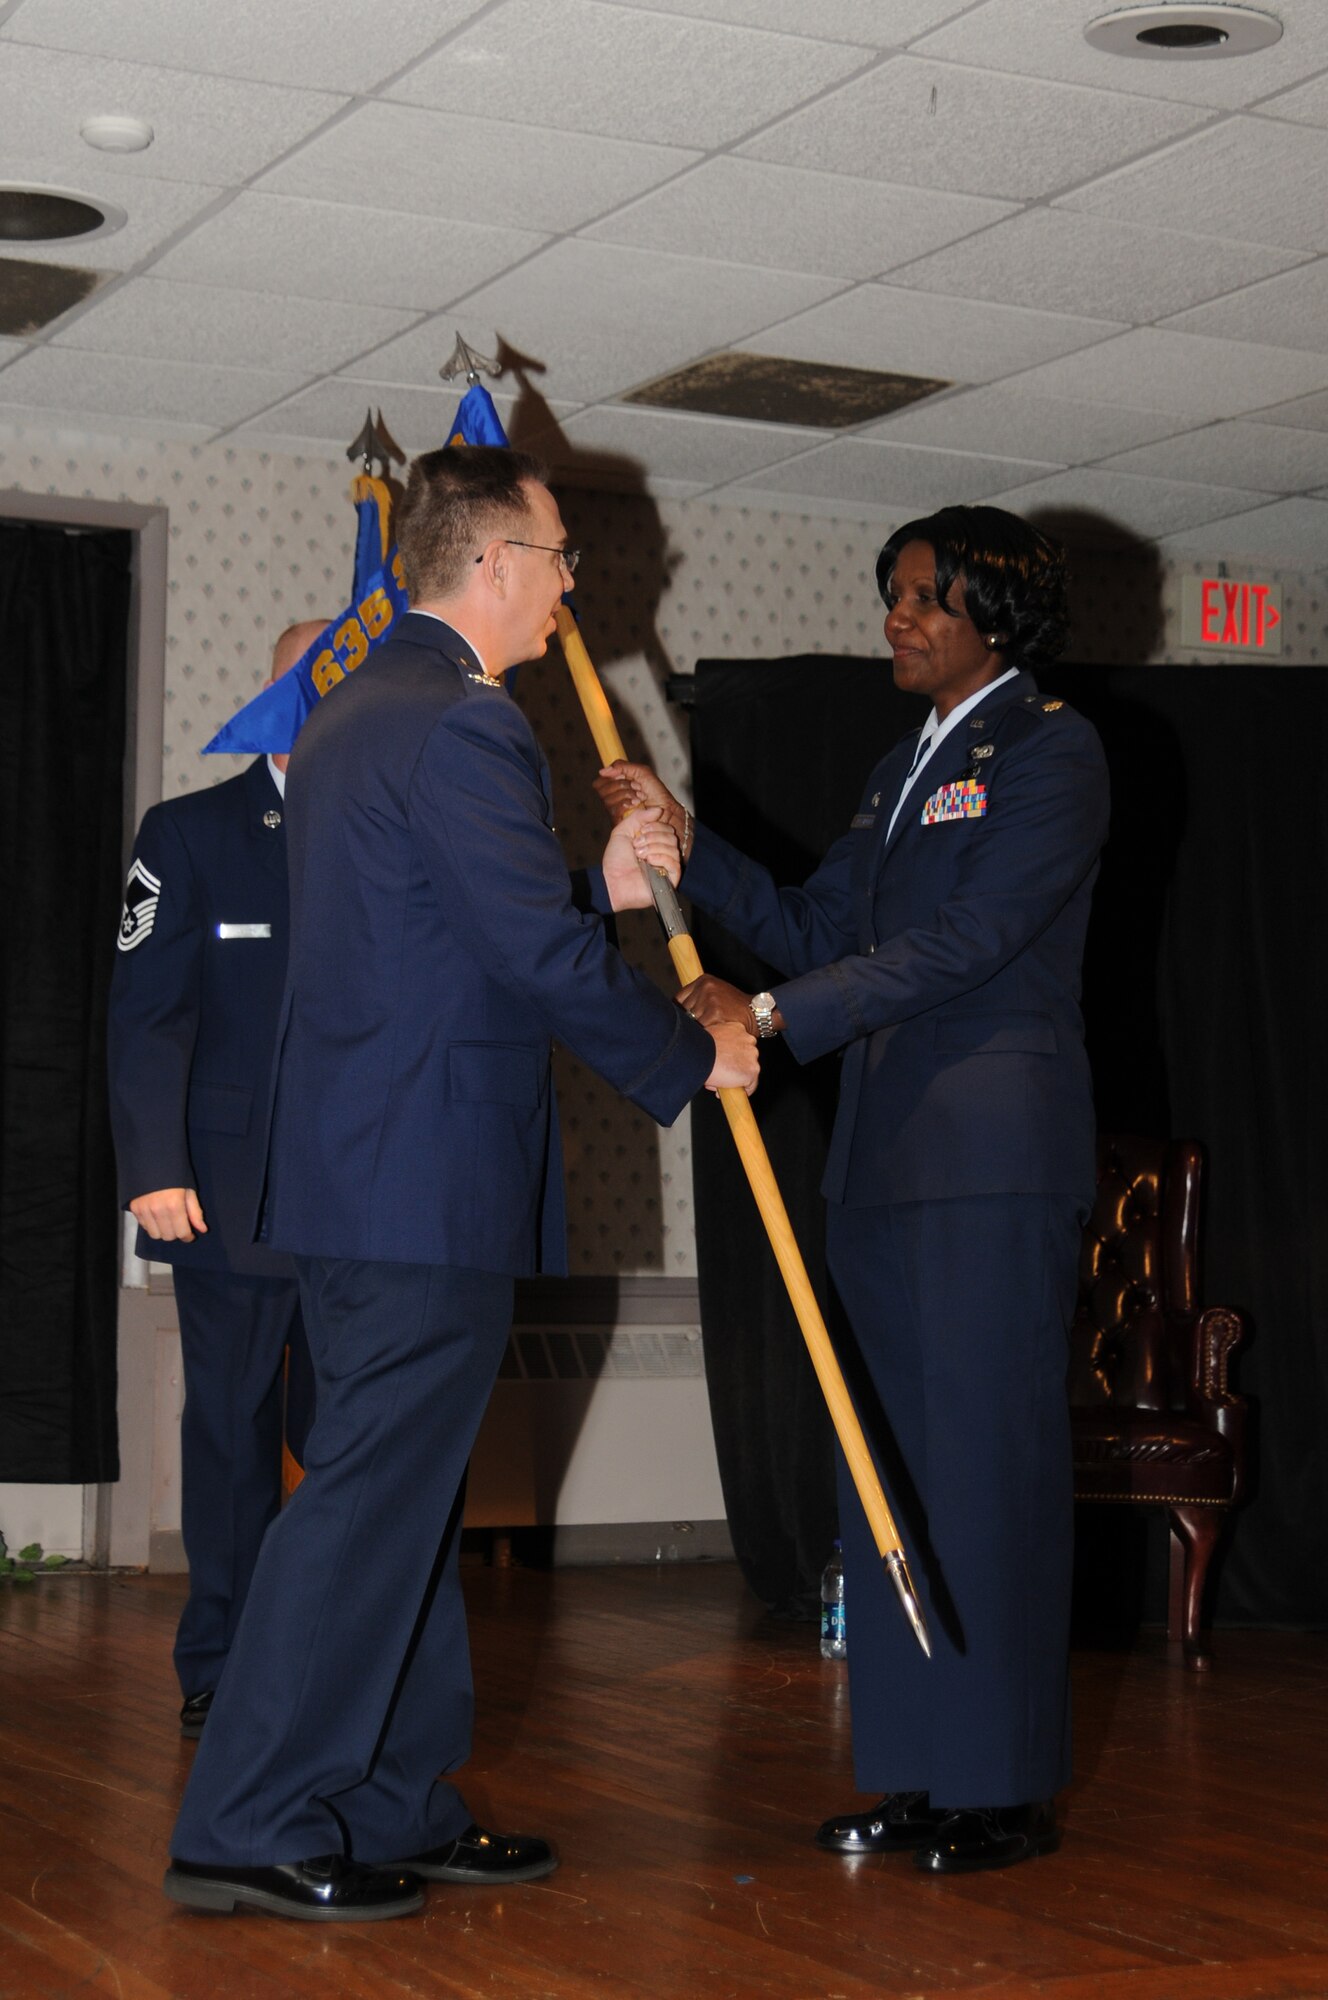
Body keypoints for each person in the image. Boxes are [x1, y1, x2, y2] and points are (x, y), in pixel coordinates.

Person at [162, 445, 759, 1924]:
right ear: (489, 563)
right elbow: (537, 970)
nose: (572, 583)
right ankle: (245, 1820)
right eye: (557, 556)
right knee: (369, 1504)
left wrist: (596, 891)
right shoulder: (464, 725)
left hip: (379, 1177)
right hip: (413, 1185)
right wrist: (693, 1055)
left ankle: (393, 1800)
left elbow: (455, 931)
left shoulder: (370, 712)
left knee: (412, 1503)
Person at [597, 506, 1109, 1875]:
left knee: (984, 1477)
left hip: (988, 1168)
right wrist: (684, 844)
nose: (897, 615)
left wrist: (761, 1018)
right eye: (891, 592)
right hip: (880, 1165)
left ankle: (1002, 1786)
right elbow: (827, 923)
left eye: (925, 595)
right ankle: (917, 1768)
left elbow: (967, 943)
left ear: (996, 614)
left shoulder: (1054, 751)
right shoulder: (901, 770)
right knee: (880, 1474)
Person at [108, 620, 328, 1739]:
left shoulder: (394, 825)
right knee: (232, 1432)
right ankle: (225, 1657)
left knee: (352, 1438)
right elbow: (147, 1014)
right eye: (310, 669)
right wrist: (152, 1165)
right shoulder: (190, 833)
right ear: (272, 686)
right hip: (227, 1198)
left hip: (361, 1200)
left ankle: (340, 1658)